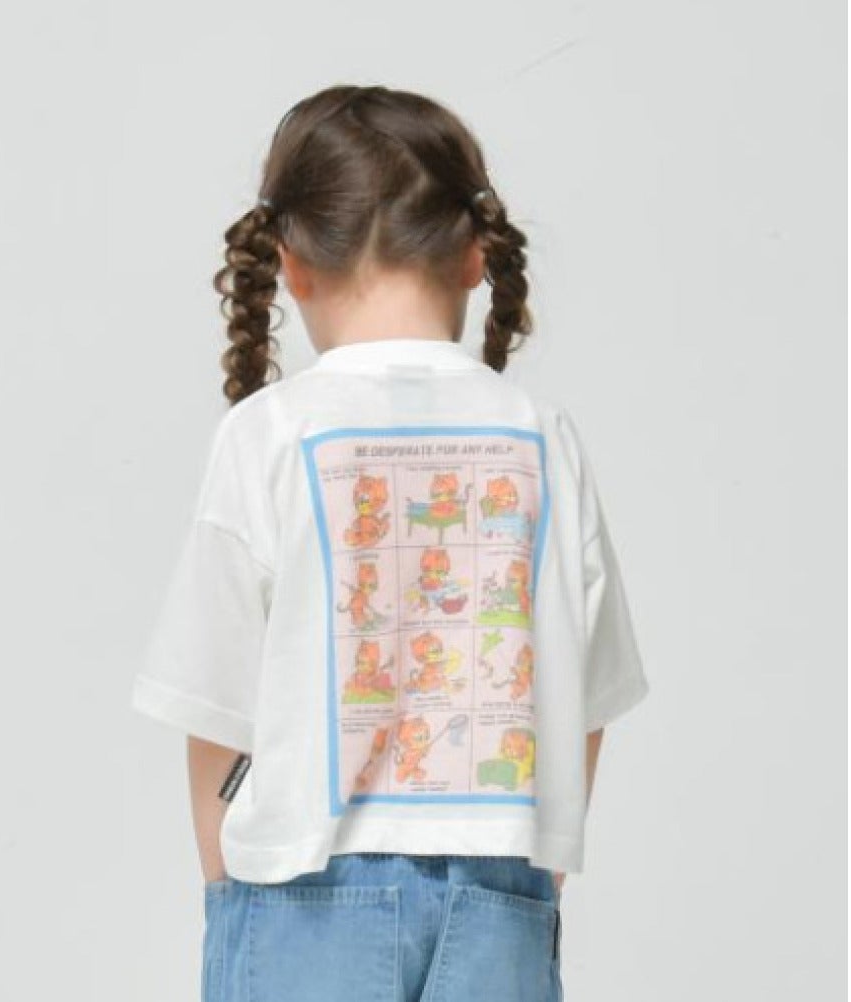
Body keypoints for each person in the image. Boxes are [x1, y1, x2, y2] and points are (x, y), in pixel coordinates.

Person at [132, 84, 650, 1002]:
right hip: (500, 894)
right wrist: (533, 877)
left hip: (299, 900)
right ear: (477, 255)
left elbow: (213, 701)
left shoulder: (270, 433)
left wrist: (227, 891)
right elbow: (590, 695)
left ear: (291, 264)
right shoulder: (542, 436)